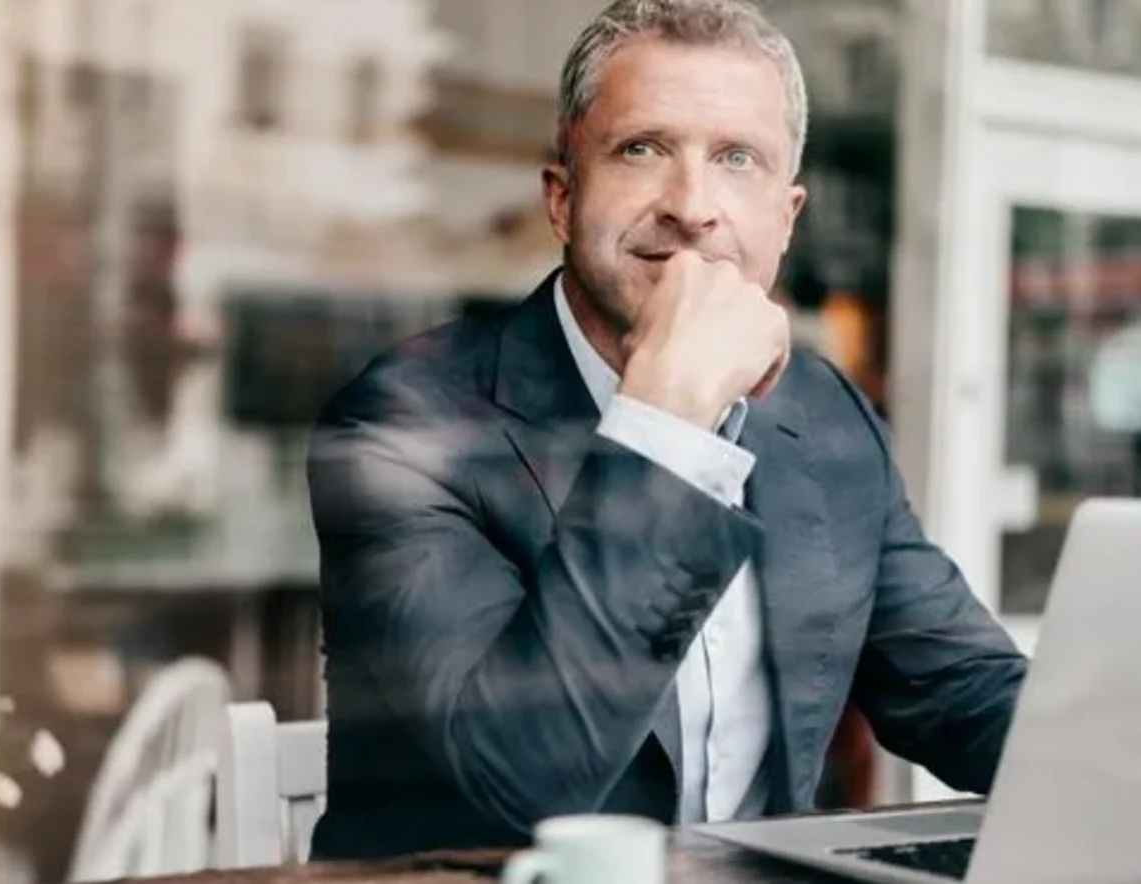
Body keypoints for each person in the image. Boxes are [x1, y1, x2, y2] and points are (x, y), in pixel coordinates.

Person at [305, 0, 1028, 860]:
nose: (692, 206)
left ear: (786, 218)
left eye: (737, 159)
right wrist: (669, 421)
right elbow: (521, 781)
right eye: (642, 149)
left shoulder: (823, 416)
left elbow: (962, 690)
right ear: (562, 199)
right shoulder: (405, 424)